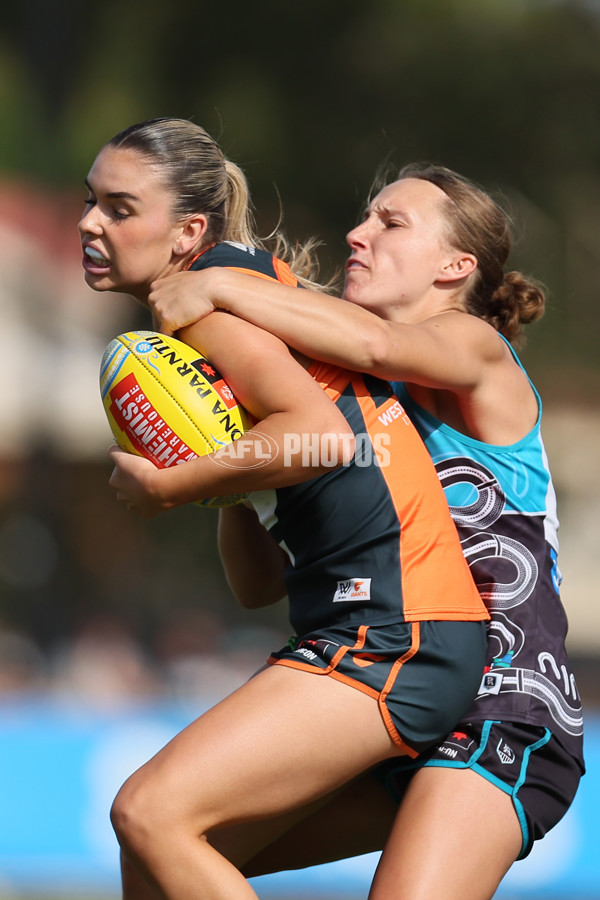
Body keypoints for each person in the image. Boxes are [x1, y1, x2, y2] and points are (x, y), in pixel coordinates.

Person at [148, 162, 585, 899]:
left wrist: (218, 285)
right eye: (364, 217)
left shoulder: (476, 349)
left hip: (502, 706)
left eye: (391, 222)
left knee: (161, 820)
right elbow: (257, 585)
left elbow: (378, 346)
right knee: (174, 846)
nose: (358, 233)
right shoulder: (345, 402)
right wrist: (226, 470)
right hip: (394, 692)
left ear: (457, 266)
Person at [79, 119, 489, 900]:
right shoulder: (232, 296)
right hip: (384, 630)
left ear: (188, 232)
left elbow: (321, 436)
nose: (90, 223)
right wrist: (224, 487)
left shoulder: (210, 304)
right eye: (90, 202)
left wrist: (175, 486)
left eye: (120, 207)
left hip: (399, 629)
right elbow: (259, 585)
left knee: (149, 813)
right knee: (157, 861)